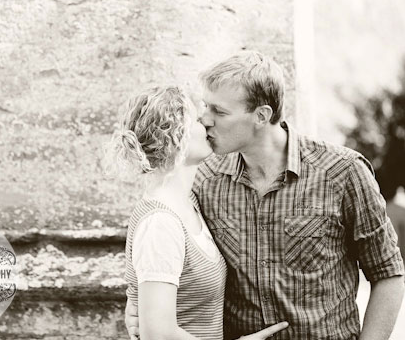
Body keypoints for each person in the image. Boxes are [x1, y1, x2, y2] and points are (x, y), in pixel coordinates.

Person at [125, 51, 405, 340]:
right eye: (206, 106)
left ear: (261, 116)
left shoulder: (343, 172)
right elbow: (159, 260)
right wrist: (139, 313)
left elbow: (388, 275)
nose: (205, 120)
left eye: (219, 112)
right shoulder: (204, 179)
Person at [109, 86, 289, 340]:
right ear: (175, 135)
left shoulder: (189, 200)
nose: (206, 120)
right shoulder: (160, 223)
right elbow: (157, 335)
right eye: (196, 117)